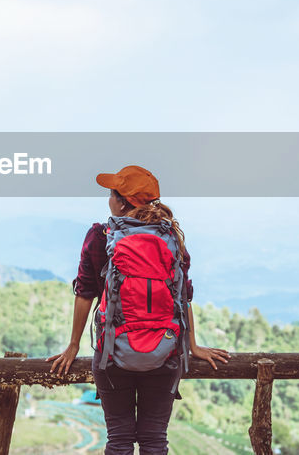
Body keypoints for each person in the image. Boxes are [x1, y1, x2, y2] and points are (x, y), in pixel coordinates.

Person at [47, 165, 230, 455]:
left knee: (119, 442)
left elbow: (85, 293)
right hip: (165, 354)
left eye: (111, 194)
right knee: (155, 441)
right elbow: (183, 296)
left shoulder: (100, 236)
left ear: (124, 202)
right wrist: (192, 346)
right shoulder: (171, 239)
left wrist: (72, 346)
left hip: (112, 355)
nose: (109, 199)